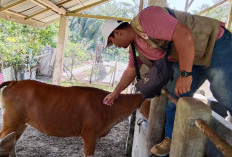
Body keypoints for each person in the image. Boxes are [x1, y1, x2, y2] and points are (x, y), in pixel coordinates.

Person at [101, 6, 232, 156]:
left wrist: (185, 74)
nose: (115, 46)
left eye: (112, 42)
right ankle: (170, 137)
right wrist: (115, 93)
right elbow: (131, 70)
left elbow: (184, 35)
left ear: (117, 32)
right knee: (175, 94)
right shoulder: (134, 46)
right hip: (188, 56)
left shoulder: (147, 18)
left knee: (225, 92)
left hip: (213, 43)